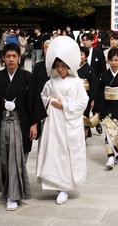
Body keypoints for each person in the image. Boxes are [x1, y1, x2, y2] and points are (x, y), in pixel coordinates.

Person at [0, 43, 47, 211]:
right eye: (8, 56)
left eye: (14, 56)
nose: (11, 59)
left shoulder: (27, 78)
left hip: (20, 123)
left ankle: (13, 196)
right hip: (1, 123)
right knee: (3, 158)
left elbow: (33, 102)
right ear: (3, 58)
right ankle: (8, 190)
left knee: (17, 159)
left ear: (19, 57)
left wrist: (34, 124)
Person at [36, 36, 88, 204]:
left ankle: (65, 186)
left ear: (69, 66)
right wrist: (50, 101)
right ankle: (56, 184)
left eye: (63, 66)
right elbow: (42, 97)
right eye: (57, 66)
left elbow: (83, 102)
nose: (60, 69)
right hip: (54, 121)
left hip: (69, 121)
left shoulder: (77, 82)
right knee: (54, 150)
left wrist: (64, 104)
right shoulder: (51, 82)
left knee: (67, 152)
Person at [78, 46, 99, 139]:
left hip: (85, 96)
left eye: (81, 55)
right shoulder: (72, 67)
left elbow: (93, 85)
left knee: (84, 117)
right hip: (75, 96)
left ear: (86, 57)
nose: (79, 56)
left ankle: (84, 136)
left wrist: (93, 98)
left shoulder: (89, 69)